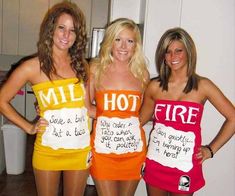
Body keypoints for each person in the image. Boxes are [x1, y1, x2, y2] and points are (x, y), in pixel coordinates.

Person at [0, 2, 93, 196]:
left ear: (77, 36)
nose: (66, 35)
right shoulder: (32, 67)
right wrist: (29, 127)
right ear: (51, 29)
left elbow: (87, 107)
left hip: (79, 149)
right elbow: (2, 100)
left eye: (72, 31)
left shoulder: (82, 65)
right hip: (48, 150)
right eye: (61, 28)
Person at [140, 27, 235, 196]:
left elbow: (233, 118)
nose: (173, 57)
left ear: (188, 52)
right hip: (157, 162)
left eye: (178, 51)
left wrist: (210, 150)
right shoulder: (154, 87)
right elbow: (139, 121)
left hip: (185, 165)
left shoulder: (203, 86)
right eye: (168, 52)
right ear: (163, 56)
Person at [88, 18, 150, 196]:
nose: (123, 46)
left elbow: (145, 111)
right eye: (118, 39)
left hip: (133, 151)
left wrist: (129, 123)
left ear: (135, 46)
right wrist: (108, 118)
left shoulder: (142, 73)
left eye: (129, 41)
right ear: (110, 42)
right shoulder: (95, 68)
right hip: (103, 150)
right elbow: (86, 107)